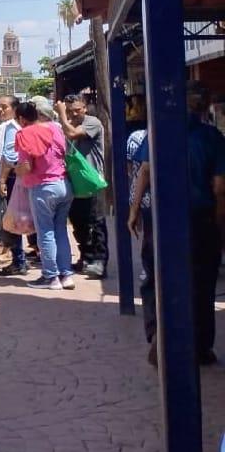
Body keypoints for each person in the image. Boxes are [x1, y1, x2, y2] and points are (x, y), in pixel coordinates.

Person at [128, 83, 225, 366]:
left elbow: (144, 171)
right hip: (200, 218)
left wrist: (134, 210)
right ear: (204, 104)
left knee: (156, 276)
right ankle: (200, 346)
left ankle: (158, 331)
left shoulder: (157, 133)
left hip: (160, 216)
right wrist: (220, 226)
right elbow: (219, 187)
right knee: (202, 282)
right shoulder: (212, 137)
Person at [14, 101, 75, 290]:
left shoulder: (24, 134)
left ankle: (51, 277)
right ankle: (66, 275)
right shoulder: (55, 128)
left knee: (45, 232)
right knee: (61, 231)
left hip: (43, 187)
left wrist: (15, 170)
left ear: (22, 119)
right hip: (64, 185)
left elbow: (26, 167)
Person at [56, 94, 108, 278]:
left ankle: (99, 261)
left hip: (91, 180)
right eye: (70, 110)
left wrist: (62, 115)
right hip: (74, 181)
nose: (74, 113)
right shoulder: (66, 124)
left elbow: (72, 133)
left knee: (96, 221)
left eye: (77, 110)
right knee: (78, 222)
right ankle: (86, 257)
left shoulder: (92, 122)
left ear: (85, 108)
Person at [0, 95, 28, 275]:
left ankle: (19, 260)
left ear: (14, 109)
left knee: (14, 220)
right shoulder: (10, 127)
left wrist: (3, 180)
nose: (0, 110)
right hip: (19, 178)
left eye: (4, 107)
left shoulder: (12, 129)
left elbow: (11, 157)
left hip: (13, 179)